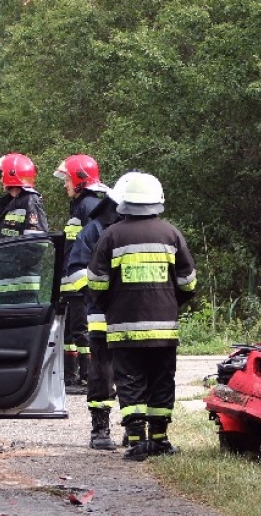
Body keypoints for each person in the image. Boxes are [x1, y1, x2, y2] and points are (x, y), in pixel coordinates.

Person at [88, 172, 197, 461]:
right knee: (162, 380)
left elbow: (96, 282)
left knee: (129, 381)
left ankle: (136, 441)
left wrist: (111, 304)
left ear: (124, 202)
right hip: (163, 330)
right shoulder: (171, 234)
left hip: (124, 329)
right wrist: (172, 303)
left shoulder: (111, 235)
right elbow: (188, 282)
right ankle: (160, 440)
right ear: (157, 200)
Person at [64, 169, 122, 450]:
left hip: (136, 320)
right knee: (102, 373)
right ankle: (100, 430)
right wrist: (102, 295)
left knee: (135, 375)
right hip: (103, 316)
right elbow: (75, 272)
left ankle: (137, 431)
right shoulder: (96, 229)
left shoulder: (141, 230)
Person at [55, 155, 110, 395]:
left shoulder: (88, 206)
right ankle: (73, 377)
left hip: (82, 284)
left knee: (83, 331)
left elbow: (95, 244)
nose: (65, 184)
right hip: (72, 285)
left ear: (79, 180)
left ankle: (89, 376)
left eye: (67, 179)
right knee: (71, 333)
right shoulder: (80, 206)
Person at [0, 153, 49, 304]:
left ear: (12, 175)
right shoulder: (10, 203)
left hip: (22, 287)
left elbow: (37, 244)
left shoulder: (30, 202)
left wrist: (10, 265)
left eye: (3, 174)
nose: (0, 179)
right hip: (9, 285)